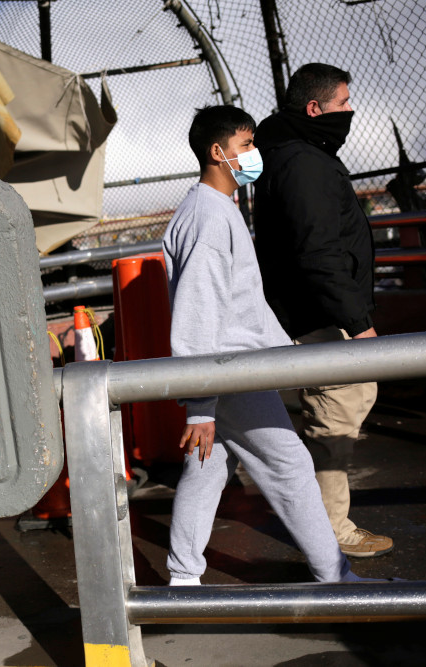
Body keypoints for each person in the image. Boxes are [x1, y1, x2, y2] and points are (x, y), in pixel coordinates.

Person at [163, 105, 365, 585]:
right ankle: (335, 579)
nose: (254, 154)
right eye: (246, 145)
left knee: (206, 470)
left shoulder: (212, 211)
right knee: (290, 467)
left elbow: (239, 306)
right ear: (219, 152)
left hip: (234, 369)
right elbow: (199, 315)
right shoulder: (209, 219)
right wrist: (201, 406)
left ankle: (183, 580)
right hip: (231, 372)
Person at [252, 63, 392, 558]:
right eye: (343, 103)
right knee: (334, 417)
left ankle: (327, 521)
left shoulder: (290, 154)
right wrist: (359, 323)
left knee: (338, 414)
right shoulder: (303, 162)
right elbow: (318, 252)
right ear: (315, 109)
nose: (350, 111)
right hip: (321, 317)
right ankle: (330, 532)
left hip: (317, 312)